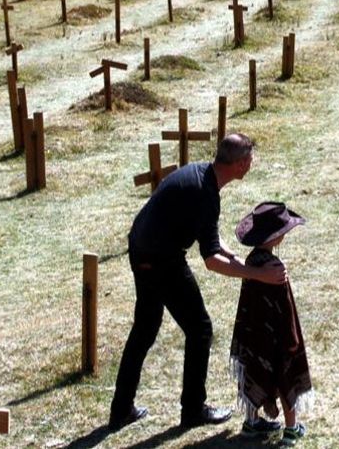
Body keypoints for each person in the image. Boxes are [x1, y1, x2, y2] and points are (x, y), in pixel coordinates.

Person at [109, 134, 287, 432]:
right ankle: (192, 410)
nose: (252, 164)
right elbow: (211, 261)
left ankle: (121, 409)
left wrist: (242, 262)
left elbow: (214, 245)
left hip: (140, 247)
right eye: (251, 159)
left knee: (145, 328)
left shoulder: (202, 175)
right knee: (200, 329)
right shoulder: (206, 193)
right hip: (160, 258)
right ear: (241, 163)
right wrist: (257, 275)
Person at [229, 202, 314, 445]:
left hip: (254, 334)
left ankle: (252, 421)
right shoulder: (276, 269)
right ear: (276, 237)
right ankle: (291, 428)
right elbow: (286, 310)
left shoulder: (251, 261)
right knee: (284, 371)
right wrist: (292, 339)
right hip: (277, 336)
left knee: (254, 368)